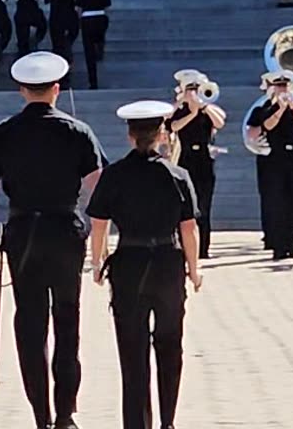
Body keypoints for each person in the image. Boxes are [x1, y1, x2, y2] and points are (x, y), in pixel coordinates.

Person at [0, 52, 105, 429]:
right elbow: (99, 187)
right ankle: (66, 413)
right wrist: (101, 237)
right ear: (57, 90)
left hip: (23, 233)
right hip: (65, 232)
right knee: (67, 320)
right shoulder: (77, 132)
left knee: (29, 324)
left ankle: (40, 415)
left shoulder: (3, 132)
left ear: (21, 90)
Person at [89, 100, 202, 429]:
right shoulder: (178, 175)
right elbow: (189, 228)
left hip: (129, 264)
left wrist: (96, 262)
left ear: (129, 136)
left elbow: (99, 223)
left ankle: (137, 424)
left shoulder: (114, 175)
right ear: (162, 135)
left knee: (132, 350)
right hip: (167, 263)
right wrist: (194, 269)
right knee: (170, 346)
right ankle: (168, 421)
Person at [245, 71, 293, 260]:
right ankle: (278, 245)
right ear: (272, 88)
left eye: (285, 86)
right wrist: (280, 108)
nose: (283, 89)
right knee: (276, 202)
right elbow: (266, 127)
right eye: (279, 85)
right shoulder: (263, 108)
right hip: (273, 157)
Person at [169, 70, 225, 259]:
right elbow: (173, 125)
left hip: (204, 159)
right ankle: (184, 247)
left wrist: (203, 106)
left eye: (196, 88)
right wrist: (188, 108)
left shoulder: (207, 110)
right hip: (185, 159)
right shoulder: (180, 111)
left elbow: (220, 122)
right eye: (190, 88)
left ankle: (203, 248)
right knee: (185, 204)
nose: (193, 92)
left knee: (204, 205)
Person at [75, 0, 111, 90]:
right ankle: (99, 49)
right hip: (100, 19)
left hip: (87, 20)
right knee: (99, 40)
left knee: (88, 52)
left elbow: (78, 9)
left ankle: (93, 81)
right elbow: (107, 7)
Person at [46, 0, 81, 76]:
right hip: (70, 15)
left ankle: (59, 70)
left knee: (57, 44)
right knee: (69, 39)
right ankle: (67, 62)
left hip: (56, 16)